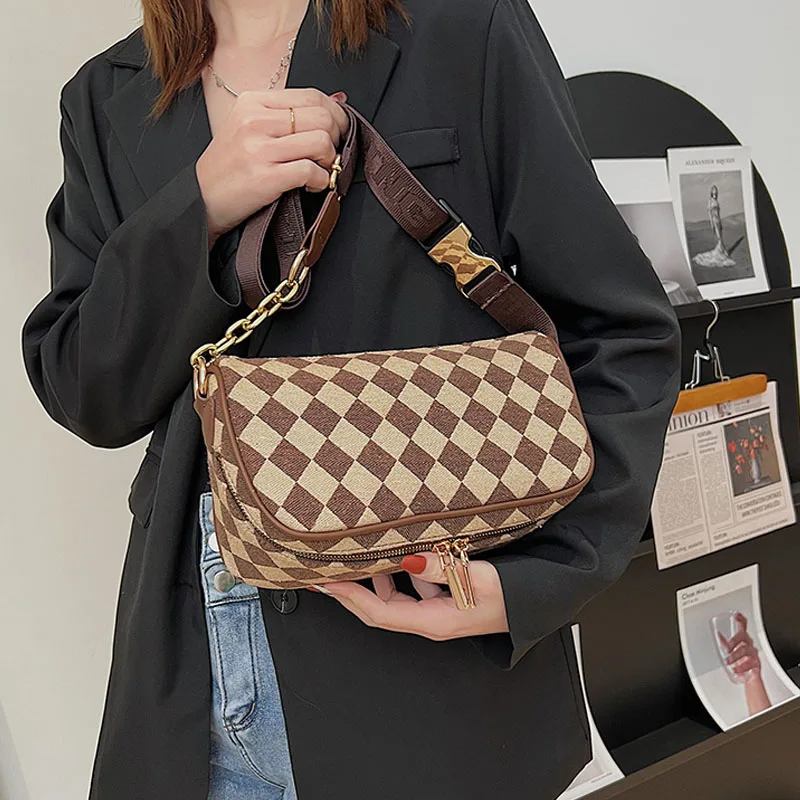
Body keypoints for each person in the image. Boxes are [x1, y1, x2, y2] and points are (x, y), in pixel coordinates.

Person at [21, 0, 681, 798]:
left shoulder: (461, 25)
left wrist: (541, 575)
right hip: (191, 683)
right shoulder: (104, 95)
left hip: (427, 685)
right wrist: (198, 206)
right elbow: (85, 389)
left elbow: (621, 331)